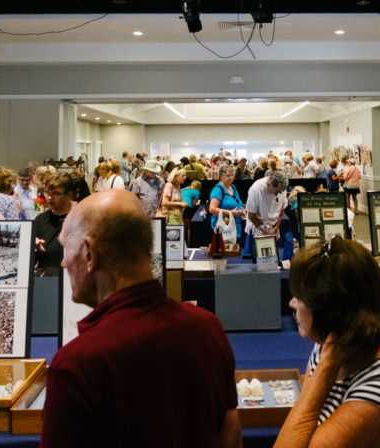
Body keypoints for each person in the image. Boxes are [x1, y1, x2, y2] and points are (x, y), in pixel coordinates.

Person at [42, 189, 241, 448]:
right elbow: (230, 436)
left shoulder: (77, 364)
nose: (64, 263)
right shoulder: (207, 327)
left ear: (90, 252)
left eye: (65, 248)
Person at [275, 237, 380, 448]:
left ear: (329, 312)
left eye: (300, 297)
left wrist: (327, 365)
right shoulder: (328, 345)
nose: (292, 303)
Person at [33, 172, 89, 277]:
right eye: (48, 193)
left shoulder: (83, 218)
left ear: (69, 195)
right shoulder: (40, 221)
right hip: (47, 279)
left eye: (56, 194)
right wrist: (32, 247)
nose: (50, 198)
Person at [244, 170, 288, 255]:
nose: (277, 194)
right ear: (269, 184)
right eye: (276, 191)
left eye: (280, 192)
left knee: (274, 259)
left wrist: (275, 228)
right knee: (260, 261)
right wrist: (263, 228)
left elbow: (282, 212)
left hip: (273, 229)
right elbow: (251, 215)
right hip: (258, 229)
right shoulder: (256, 189)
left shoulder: (282, 188)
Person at [209, 164, 245, 241]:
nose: (231, 178)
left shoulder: (233, 187)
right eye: (228, 175)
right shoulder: (218, 190)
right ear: (221, 176)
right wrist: (231, 212)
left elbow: (238, 202)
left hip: (234, 226)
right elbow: (212, 209)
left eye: (232, 175)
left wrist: (241, 210)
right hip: (223, 228)